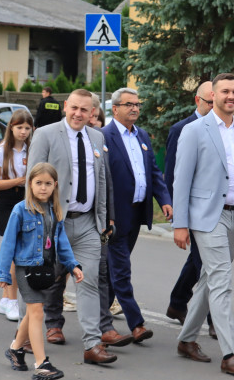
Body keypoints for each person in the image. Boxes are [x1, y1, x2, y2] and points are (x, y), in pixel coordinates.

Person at [172, 72, 234, 376]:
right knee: (221, 280)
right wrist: (180, 224)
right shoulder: (195, 130)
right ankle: (231, 353)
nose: (231, 97)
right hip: (206, 216)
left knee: (209, 277)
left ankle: (186, 339)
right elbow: (181, 180)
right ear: (213, 95)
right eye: (225, 92)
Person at [28, 88, 122, 364]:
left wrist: (103, 221)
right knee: (47, 280)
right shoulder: (46, 134)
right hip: (54, 223)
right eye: (75, 108)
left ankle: (92, 344)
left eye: (85, 110)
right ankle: (29, 335)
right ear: (66, 106)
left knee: (89, 281)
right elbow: (32, 180)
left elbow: (101, 180)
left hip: (87, 224)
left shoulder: (97, 136)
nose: (79, 114)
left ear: (92, 112)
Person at [0, 162, 84, 380]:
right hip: (26, 268)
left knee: (33, 311)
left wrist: (73, 265)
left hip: (46, 269)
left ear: (55, 186)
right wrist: (3, 274)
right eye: (38, 183)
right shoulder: (20, 209)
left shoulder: (55, 211)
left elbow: (62, 242)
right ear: (30, 184)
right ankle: (41, 364)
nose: (43, 188)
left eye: (48, 184)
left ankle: (15, 348)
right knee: (36, 311)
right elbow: (8, 243)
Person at [102, 87, 173, 343]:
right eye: (129, 104)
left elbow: (153, 171)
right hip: (114, 216)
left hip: (136, 213)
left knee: (113, 270)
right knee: (121, 269)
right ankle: (136, 324)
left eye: (137, 104)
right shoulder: (104, 136)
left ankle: (101, 322)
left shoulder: (142, 135)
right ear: (115, 108)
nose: (135, 108)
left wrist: (164, 200)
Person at [163, 81, 213, 326]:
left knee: (201, 259)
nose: (215, 107)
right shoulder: (181, 128)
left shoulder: (224, 129)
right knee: (207, 262)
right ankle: (213, 320)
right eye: (210, 102)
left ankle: (178, 302)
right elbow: (172, 174)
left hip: (213, 208)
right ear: (197, 100)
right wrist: (176, 211)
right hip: (191, 208)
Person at [0, 110, 34, 321]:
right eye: (19, 127)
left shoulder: (31, 150)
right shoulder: (1, 150)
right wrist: (20, 180)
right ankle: (12, 301)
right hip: (6, 202)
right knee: (14, 252)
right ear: (11, 128)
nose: (23, 132)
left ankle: (5, 300)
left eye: (27, 128)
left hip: (25, 201)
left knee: (17, 252)